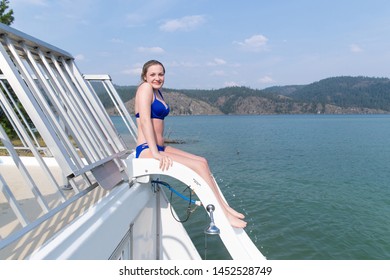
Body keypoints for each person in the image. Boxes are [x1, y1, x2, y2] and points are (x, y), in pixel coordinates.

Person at [134, 60, 246, 228]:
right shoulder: (145, 88)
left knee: (202, 162)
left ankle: (225, 207)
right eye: (153, 74)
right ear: (145, 76)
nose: (157, 78)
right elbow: (144, 120)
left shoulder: (158, 92)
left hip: (159, 147)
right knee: (198, 167)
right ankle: (221, 214)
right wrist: (156, 153)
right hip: (147, 149)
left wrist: (160, 150)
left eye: (161, 74)